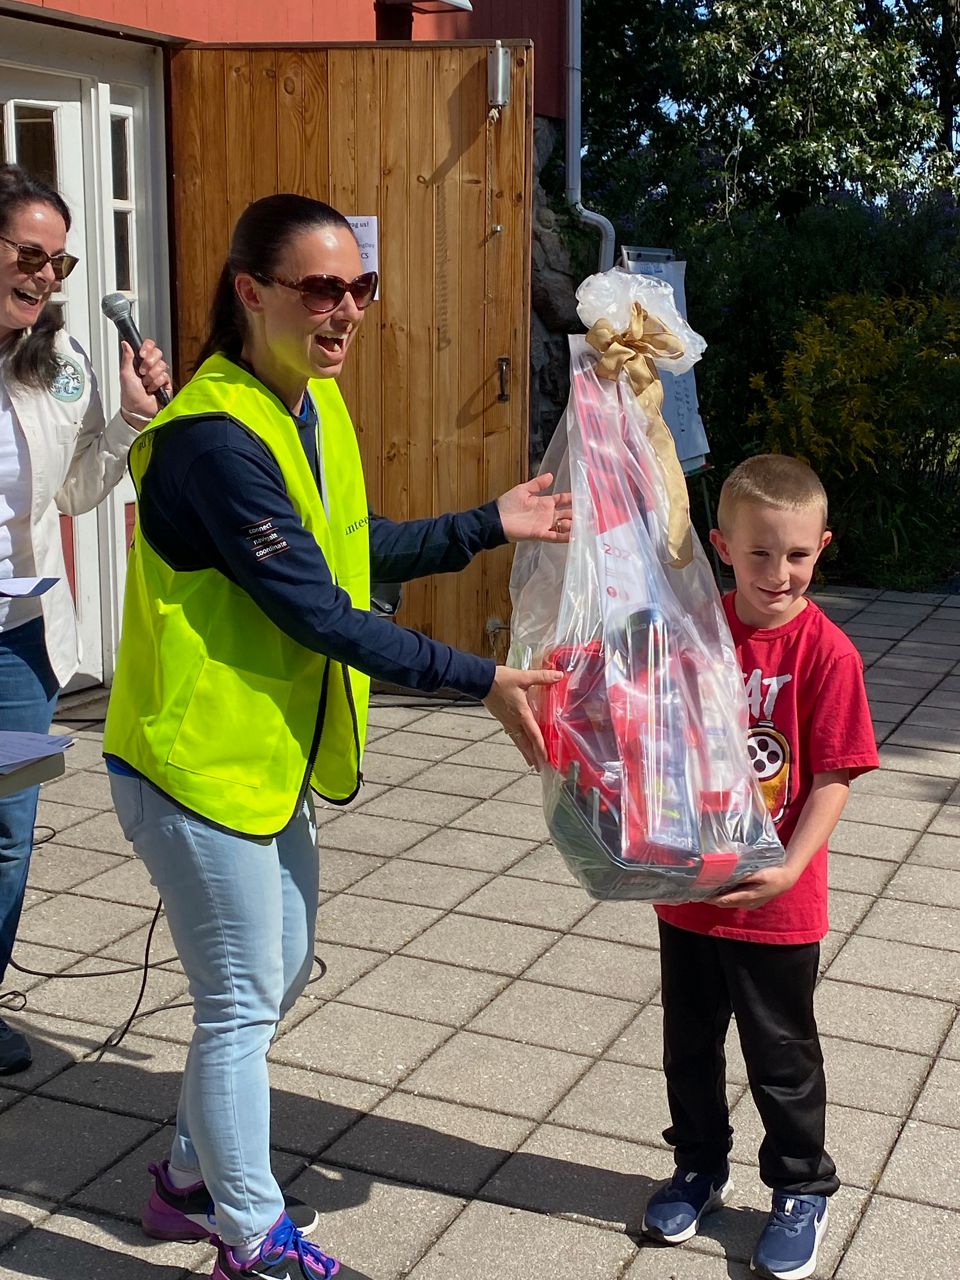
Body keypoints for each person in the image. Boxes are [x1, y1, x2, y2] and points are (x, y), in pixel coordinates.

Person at [102, 192, 570, 1280]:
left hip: (264, 759)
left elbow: (348, 549)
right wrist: (484, 680)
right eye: (321, 288)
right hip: (190, 762)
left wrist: (482, 526)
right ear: (249, 291)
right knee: (235, 998)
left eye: (359, 287)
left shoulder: (304, 404)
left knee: (283, 967)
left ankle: (185, 1179)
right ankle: (252, 1237)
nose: (346, 309)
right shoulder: (215, 439)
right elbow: (319, 608)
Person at [641, 454, 879, 1280]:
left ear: (821, 549)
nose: (778, 574)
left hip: (779, 903)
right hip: (690, 893)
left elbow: (834, 776)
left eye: (797, 555)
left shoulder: (828, 654)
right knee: (689, 1047)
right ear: (720, 547)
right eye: (759, 555)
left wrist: (789, 869)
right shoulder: (695, 633)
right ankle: (699, 1165)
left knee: (782, 1055)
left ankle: (801, 1185)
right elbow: (654, 733)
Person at [0, 163, 169, 1074]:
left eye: (58, 263)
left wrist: (131, 422)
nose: (45, 276)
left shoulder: (59, 369)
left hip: (19, 642)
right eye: (29, 253)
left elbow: (76, 489)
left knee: (7, 839)